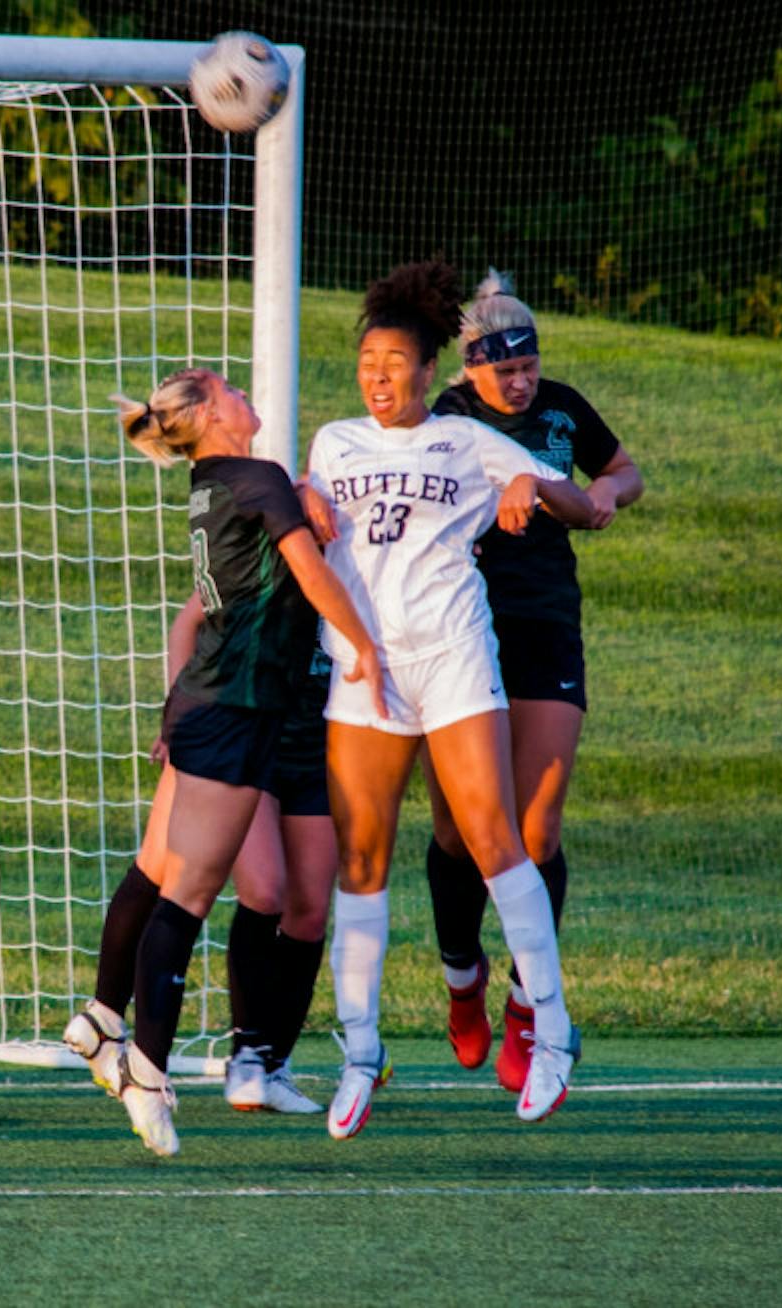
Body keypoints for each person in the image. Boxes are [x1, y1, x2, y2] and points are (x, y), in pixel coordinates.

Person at [301, 260, 597, 1139]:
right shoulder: (333, 442)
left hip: (457, 659)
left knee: (495, 839)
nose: (379, 376)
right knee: (362, 863)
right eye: (368, 363)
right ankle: (360, 1054)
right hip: (366, 674)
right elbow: (305, 516)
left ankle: (550, 1032)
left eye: (395, 362)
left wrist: (528, 484)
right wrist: (309, 501)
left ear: (430, 369)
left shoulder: (469, 440)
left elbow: (584, 505)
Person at [96, 368, 382, 1157]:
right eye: (231, 390)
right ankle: (146, 1076)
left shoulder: (214, 479)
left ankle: (106, 1029)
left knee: (163, 875)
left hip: (215, 703)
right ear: (213, 415)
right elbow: (311, 571)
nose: (247, 396)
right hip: (236, 707)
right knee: (186, 896)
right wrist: (364, 647)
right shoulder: (251, 476)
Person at [421, 271, 643, 1091]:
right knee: (458, 831)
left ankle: (525, 1005)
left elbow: (623, 471)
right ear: (468, 367)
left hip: (546, 619)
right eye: (503, 370)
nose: (521, 382)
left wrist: (608, 490)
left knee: (537, 830)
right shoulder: (444, 421)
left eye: (529, 366)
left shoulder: (562, 407)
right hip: (458, 626)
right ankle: (460, 981)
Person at [62, 594, 337, 1117]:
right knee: (257, 886)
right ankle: (242, 1055)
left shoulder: (361, 547)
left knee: (309, 909)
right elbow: (189, 622)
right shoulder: (277, 544)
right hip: (246, 732)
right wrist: (179, 711)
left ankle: (270, 1063)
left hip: (321, 740)